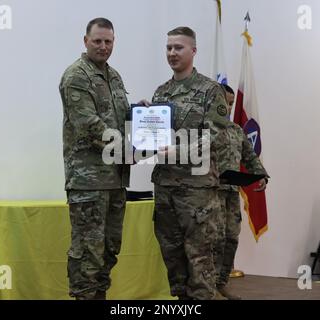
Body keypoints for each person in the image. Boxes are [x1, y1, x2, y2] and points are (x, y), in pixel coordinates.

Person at [141, 26, 230, 300]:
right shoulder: (161, 92)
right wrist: (145, 120)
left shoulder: (210, 91)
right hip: (166, 189)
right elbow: (156, 139)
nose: (172, 53)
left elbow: (216, 137)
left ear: (193, 50)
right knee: (174, 262)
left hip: (197, 193)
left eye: (178, 47)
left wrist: (176, 151)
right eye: (168, 48)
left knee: (200, 263)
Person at [59, 17, 130, 300]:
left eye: (108, 41)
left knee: (110, 248)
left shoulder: (114, 77)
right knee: (88, 252)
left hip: (115, 179)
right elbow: (90, 126)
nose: (103, 46)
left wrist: (144, 115)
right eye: (97, 41)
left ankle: (98, 296)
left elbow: (121, 118)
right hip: (88, 182)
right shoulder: (77, 76)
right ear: (85, 41)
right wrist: (131, 149)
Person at [213, 84, 269, 300]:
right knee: (212, 241)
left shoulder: (236, 131)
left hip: (230, 194)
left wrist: (261, 174)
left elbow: (250, 156)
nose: (227, 107)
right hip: (210, 194)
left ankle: (221, 283)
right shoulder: (203, 130)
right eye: (223, 103)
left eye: (230, 103)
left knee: (230, 238)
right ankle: (208, 287)